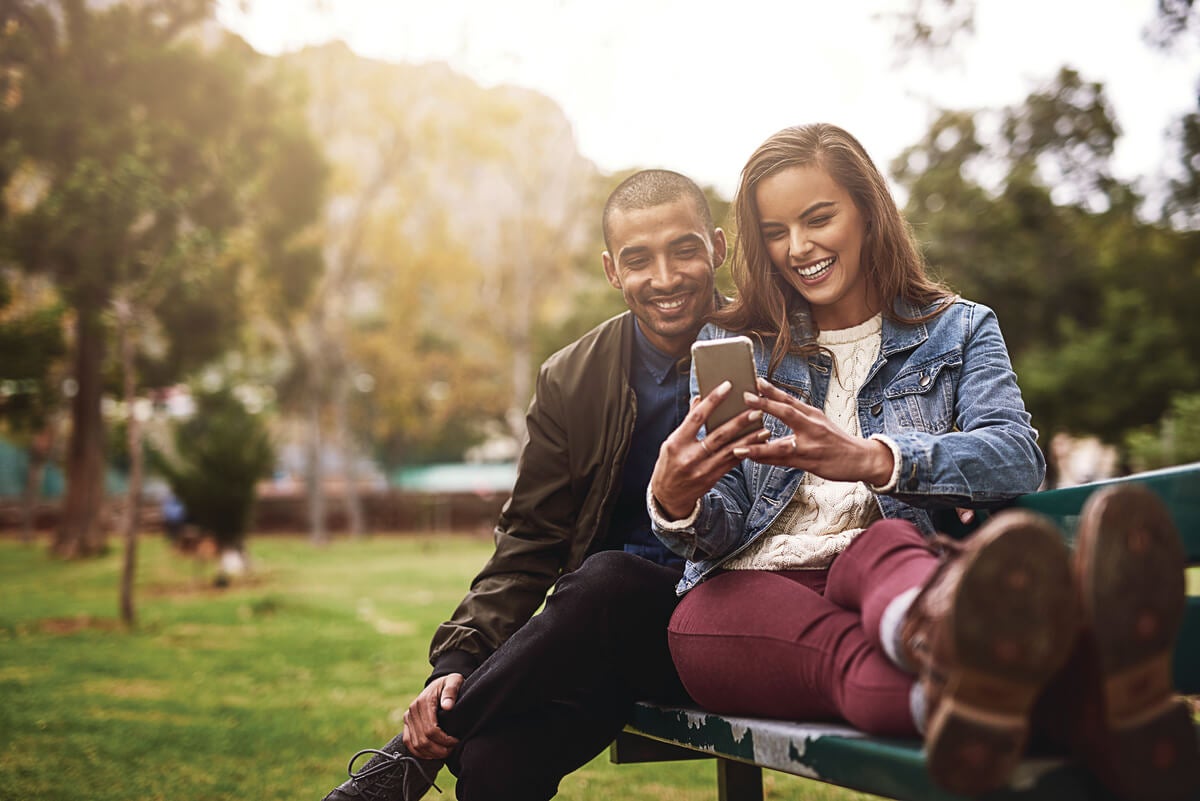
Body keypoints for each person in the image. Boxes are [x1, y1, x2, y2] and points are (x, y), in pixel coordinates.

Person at [647, 123, 1198, 799]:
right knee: (785, 643)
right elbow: (723, 521)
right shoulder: (738, 345)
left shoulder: (960, 328)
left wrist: (878, 458)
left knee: (885, 539)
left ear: (869, 211)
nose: (799, 248)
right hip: (751, 592)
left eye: (819, 218)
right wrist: (679, 500)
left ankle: (950, 640)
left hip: (890, 571)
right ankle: (1078, 692)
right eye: (775, 231)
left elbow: (1015, 456)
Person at [321, 169, 764, 801]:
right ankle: (433, 744)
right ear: (613, 271)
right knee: (495, 762)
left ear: (717, 248)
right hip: (603, 643)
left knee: (605, 579)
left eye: (684, 250)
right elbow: (529, 541)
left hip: (729, 635)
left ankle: (398, 771)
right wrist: (457, 662)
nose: (664, 279)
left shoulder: (775, 350)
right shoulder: (571, 379)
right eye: (639, 260)